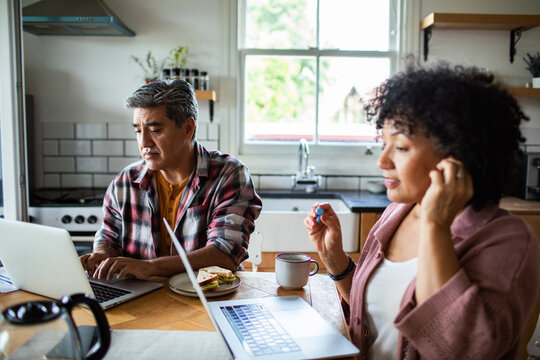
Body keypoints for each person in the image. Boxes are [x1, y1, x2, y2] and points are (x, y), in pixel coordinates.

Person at [305, 64, 540, 359]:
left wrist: (435, 224)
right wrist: (336, 262)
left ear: (455, 156)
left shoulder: (508, 241)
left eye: (401, 147)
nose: (383, 161)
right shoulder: (397, 214)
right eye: (384, 143)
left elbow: (456, 350)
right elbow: (374, 319)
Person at [80, 79, 262, 280]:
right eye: (138, 131)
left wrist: (149, 267)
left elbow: (225, 254)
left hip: (205, 301)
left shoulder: (229, 175)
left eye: (155, 130)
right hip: (140, 302)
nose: (144, 143)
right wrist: (100, 257)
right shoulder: (125, 182)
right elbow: (108, 239)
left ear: (187, 128)